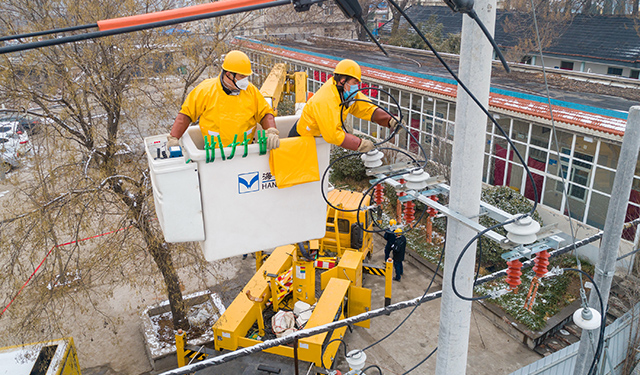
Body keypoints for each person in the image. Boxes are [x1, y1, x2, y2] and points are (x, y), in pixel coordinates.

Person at [167, 50, 280, 151]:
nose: (245, 81)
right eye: (241, 76)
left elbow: (265, 113)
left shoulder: (251, 91)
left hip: (246, 152)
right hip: (214, 155)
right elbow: (186, 114)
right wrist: (174, 138)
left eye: (246, 76)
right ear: (228, 74)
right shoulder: (205, 90)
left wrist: (271, 130)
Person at [288, 59, 399, 152]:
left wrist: (389, 120)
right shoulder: (326, 99)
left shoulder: (344, 92)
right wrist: (359, 144)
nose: (357, 86)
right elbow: (333, 135)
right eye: (355, 82)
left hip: (317, 139)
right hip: (301, 139)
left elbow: (365, 107)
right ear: (342, 81)